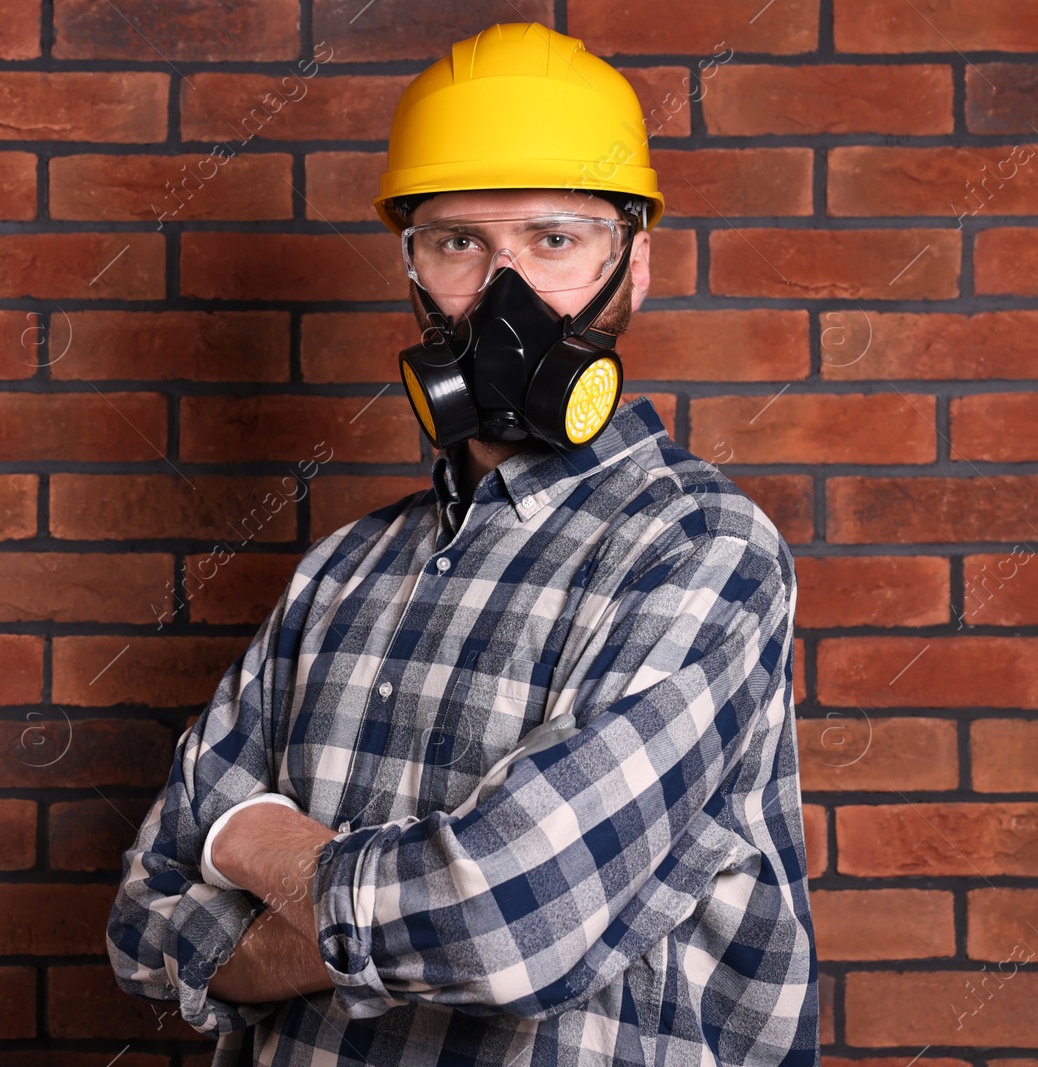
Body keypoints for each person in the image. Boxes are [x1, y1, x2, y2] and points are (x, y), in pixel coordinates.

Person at [107, 21, 820, 1066]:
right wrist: (404, 909)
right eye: (458, 243)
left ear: (635, 266)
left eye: (554, 240)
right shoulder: (342, 571)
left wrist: (254, 846)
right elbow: (145, 912)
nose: (503, 293)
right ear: (410, 266)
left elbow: (507, 919)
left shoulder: (699, 549)